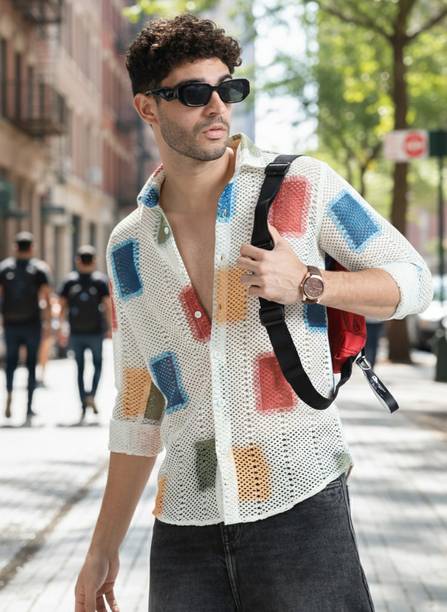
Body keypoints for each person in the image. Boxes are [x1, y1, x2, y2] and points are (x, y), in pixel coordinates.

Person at [74, 15, 433, 612]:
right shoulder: (128, 246)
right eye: (195, 92)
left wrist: (311, 283)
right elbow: (139, 405)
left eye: (228, 89)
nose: (218, 106)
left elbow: (414, 281)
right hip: (185, 522)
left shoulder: (299, 186)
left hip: (301, 504)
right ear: (147, 107)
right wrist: (102, 547)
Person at [0, 231, 52, 421]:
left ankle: (9, 394)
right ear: (32, 248)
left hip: (11, 324)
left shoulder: (4, 268)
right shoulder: (39, 269)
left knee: (11, 363)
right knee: (31, 365)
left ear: (15, 247)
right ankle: (29, 408)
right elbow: (46, 299)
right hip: (32, 324)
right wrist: (48, 324)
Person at [58, 245, 112, 421]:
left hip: (76, 332)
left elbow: (62, 307)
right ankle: (92, 395)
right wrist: (111, 328)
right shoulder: (100, 281)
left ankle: (83, 403)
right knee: (98, 365)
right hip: (96, 332)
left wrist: (61, 329)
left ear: (77, 261)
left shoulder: (69, 281)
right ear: (94, 261)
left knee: (80, 368)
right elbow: (108, 306)